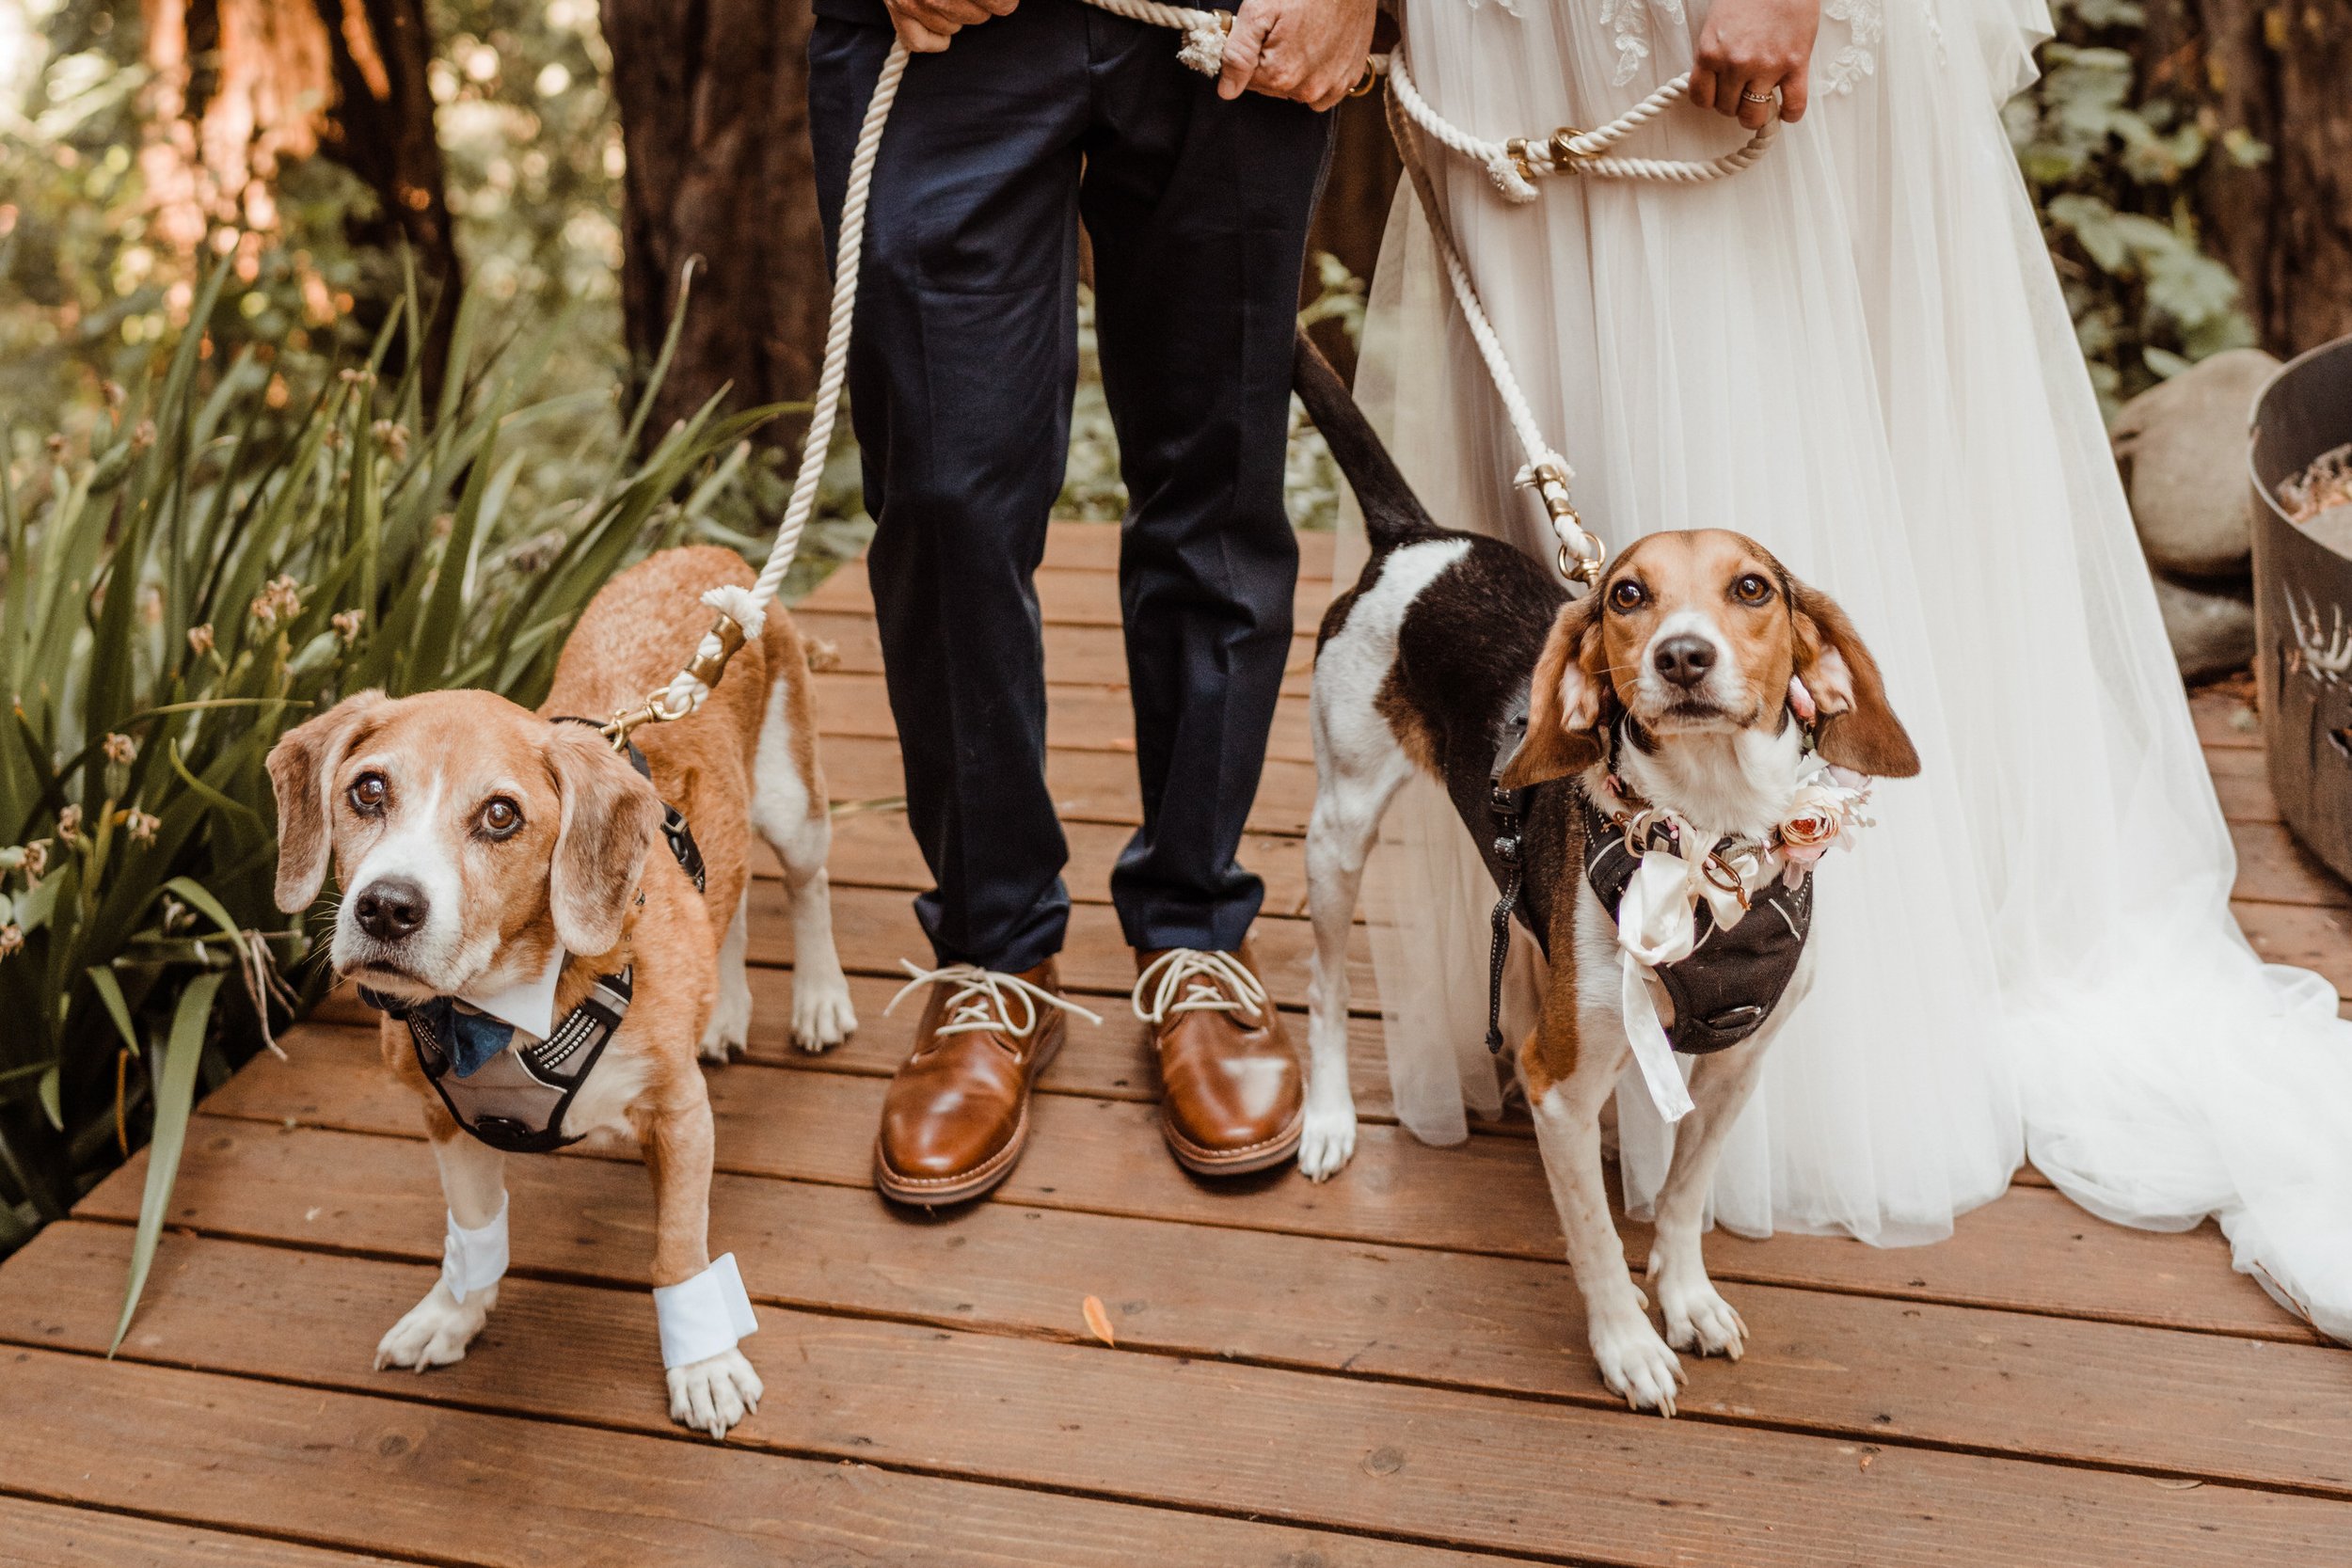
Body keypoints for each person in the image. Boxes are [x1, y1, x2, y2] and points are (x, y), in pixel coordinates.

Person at [1348, 0, 2351, 1339]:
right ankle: (1575, 974)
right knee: (1561, 484)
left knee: (1769, 398)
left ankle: (1799, 1071)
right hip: (1506, 36)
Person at [806, 0, 1375, 1202]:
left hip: (1234, 20)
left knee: (1218, 480)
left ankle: (1194, 933)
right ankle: (993, 950)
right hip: (943, 38)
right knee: (944, 498)